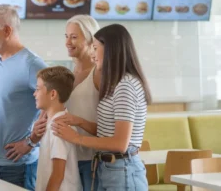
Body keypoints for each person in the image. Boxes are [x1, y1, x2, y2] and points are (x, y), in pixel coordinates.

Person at [52, 24, 152, 191]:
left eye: (95, 48)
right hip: (108, 168)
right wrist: (80, 122)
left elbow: (120, 143)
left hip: (122, 170)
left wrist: (76, 138)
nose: (92, 55)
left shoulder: (125, 86)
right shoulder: (116, 84)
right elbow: (109, 132)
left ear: (111, 50)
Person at [32, 14, 101, 191]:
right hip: (69, 157)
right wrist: (40, 126)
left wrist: (78, 123)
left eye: (74, 37)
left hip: (90, 160)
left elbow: (108, 124)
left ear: (90, 39)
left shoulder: (99, 74)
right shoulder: (68, 75)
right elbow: (53, 109)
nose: (67, 42)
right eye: (66, 36)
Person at [0, 4, 47, 190]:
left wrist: (31, 141)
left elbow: (56, 104)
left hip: (18, 166)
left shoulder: (32, 64)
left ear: (7, 30)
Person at [34, 66, 82, 191]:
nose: (34, 94)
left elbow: (57, 175)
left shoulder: (58, 128)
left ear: (53, 94)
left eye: (38, 89)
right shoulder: (52, 123)